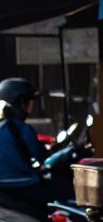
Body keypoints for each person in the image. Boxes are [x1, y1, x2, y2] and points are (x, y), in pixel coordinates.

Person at [0, 77, 71, 208]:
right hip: (21, 185)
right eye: (28, 103)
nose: (30, 108)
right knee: (68, 190)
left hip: (5, 188)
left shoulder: (5, 127)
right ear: (19, 104)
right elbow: (46, 158)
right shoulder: (21, 129)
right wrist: (67, 152)